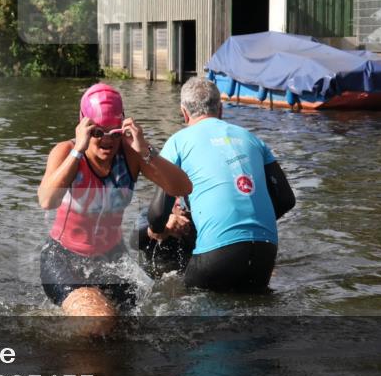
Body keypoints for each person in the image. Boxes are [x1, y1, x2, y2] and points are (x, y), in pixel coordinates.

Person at [37, 83, 192, 317]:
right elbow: (47, 200)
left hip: (111, 259)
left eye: (114, 132)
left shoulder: (131, 156)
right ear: (83, 127)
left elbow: (183, 186)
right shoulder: (66, 152)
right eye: (97, 132)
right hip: (64, 258)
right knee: (99, 319)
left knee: (132, 326)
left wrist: (145, 150)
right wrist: (77, 150)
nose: (107, 140)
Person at [152, 77, 295, 292]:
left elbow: (156, 214)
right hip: (265, 254)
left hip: (216, 257)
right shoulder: (252, 138)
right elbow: (286, 199)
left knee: (181, 301)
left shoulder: (178, 141)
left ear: (183, 112)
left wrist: (159, 230)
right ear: (221, 109)